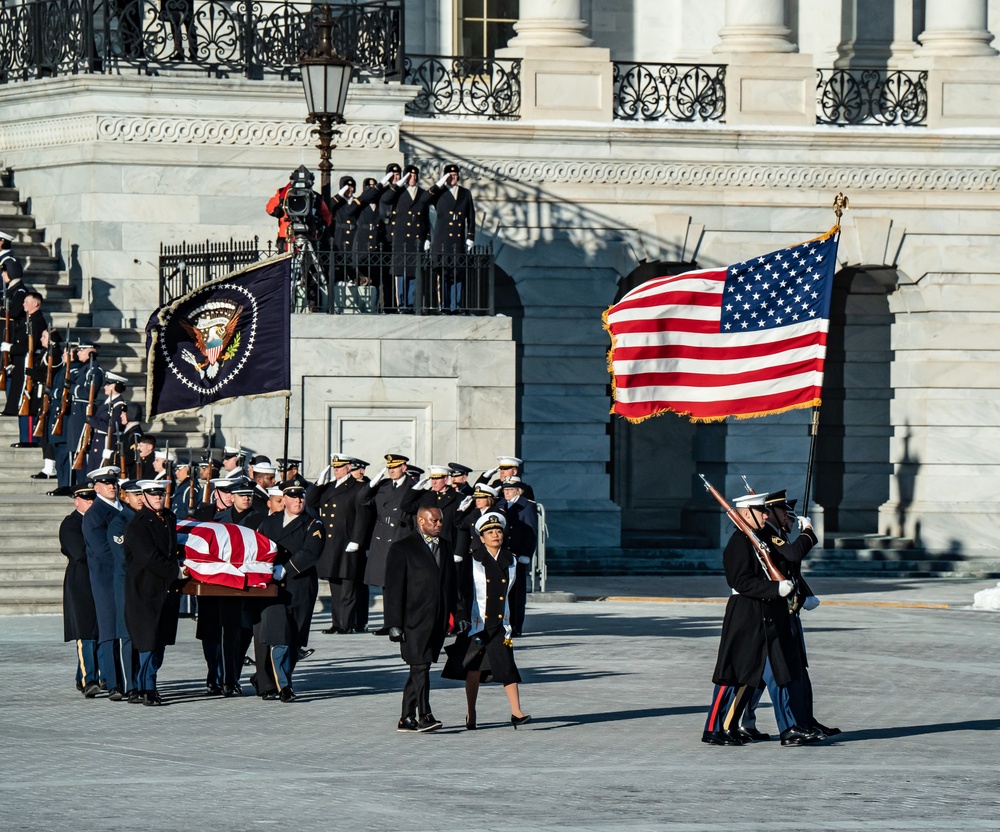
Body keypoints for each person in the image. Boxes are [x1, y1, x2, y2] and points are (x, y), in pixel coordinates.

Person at [703, 490, 821, 747]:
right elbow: (740, 581)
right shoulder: (739, 542)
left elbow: (785, 564)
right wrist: (775, 590)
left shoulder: (759, 539)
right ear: (746, 514)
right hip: (746, 615)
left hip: (768, 615)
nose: (766, 515)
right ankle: (715, 727)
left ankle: (789, 728)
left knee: (778, 672)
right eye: (761, 511)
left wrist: (797, 594)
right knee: (733, 675)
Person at [443, 512, 530, 730]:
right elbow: (461, 593)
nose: (495, 535)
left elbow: (515, 595)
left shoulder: (511, 560)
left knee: (507, 667)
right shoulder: (473, 560)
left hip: (501, 624)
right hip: (477, 624)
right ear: (481, 538)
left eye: (498, 531)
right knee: (474, 669)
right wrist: (462, 618)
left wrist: (516, 623)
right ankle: (471, 713)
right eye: (489, 532)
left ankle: (516, 712)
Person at [383, 506, 457, 732]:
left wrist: (459, 614)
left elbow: (452, 585)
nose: (439, 525)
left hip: (437, 619)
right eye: (434, 521)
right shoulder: (402, 548)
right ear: (421, 521)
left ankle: (406, 718)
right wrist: (393, 623)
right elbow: (393, 589)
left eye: (441, 521)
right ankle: (425, 715)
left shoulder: (445, 546)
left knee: (419, 668)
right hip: (412, 620)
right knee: (420, 666)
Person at [253, 482, 325, 702]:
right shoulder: (269, 522)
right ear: (283, 500)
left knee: (294, 638)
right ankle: (285, 686)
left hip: (300, 585)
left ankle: (275, 678)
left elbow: (311, 552)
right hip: (274, 589)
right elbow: (258, 547)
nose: (298, 501)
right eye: (292, 497)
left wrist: (285, 568)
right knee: (280, 637)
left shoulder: (313, 523)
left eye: (301, 497)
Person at [122, 479, 184, 706]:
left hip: (165, 590)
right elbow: (148, 557)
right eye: (154, 495)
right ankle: (147, 688)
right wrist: (176, 571)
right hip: (144, 590)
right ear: (144, 497)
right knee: (148, 641)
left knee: (160, 641)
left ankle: (142, 685)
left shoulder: (168, 517)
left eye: (161, 494)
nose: (159, 498)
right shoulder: (137, 525)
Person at [307, 453, 372, 635]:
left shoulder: (357, 487)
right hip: (330, 542)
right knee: (335, 584)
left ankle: (347, 623)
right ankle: (337, 623)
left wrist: (357, 541)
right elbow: (311, 502)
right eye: (334, 467)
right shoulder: (328, 487)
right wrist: (318, 483)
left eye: (340, 467)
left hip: (347, 541)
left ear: (348, 468)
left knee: (348, 585)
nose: (336, 470)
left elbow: (362, 516)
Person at [80, 465, 126, 699]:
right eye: (107, 483)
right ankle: (113, 681)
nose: (112, 486)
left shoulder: (125, 509)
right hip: (107, 579)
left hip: (127, 578)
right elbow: (103, 550)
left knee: (127, 629)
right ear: (96, 487)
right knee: (109, 630)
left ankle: (128, 680)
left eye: (114, 482)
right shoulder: (94, 514)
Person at [361, 453, 416, 629]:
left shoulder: (413, 487)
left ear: (404, 468)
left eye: (395, 467)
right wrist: (374, 480)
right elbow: (362, 499)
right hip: (382, 537)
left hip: (400, 536)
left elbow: (416, 518)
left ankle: (402, 622)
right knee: (386, 585)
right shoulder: (383, 486)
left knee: (401, 584)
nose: (391, 471)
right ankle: (389, 624)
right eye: (389, 468)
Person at [60, 482, 100, 697]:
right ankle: (89, 679)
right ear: (77, 501)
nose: (91, 502)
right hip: (81, 583)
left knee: (100, 630)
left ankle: (83, 676)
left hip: (100, 580)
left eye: (93, 498)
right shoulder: (71, 524)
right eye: (87, 499)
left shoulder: (101, 520)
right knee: (86, 632)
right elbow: (79, 553)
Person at [379, 164, 432, 311]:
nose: (413, 178)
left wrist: (428, 236)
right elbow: (386, 199)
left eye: (415, 176)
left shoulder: (422, 193)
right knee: (401, 272)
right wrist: (398, 183)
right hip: (402, 237)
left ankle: (410, 302)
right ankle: (401, 303)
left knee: (414, 272)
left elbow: (426, 217)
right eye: (410, 175)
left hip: (416, 238)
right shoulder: (398, 191)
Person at [427, 163, 476, 312]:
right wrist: (439, 184)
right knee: (443, 272)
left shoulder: (465, 193)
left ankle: (456, 305)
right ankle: (444, 305)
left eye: (455, 175)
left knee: (457, 272)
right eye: (450, 175)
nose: (453, 178)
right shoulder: (439, 193)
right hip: (442, 240)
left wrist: (470, 237)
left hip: (458, 240)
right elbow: (426, 199)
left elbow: (471, 217)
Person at [3, 290, 48, 442]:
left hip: (27, 363)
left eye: (26, 301)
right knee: (21, 400)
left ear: (35, 304)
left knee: (26, 400)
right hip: (21, 363)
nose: (23, 304)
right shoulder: (29, 319)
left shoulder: (36, 321)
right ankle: (25, 438)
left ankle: (29, 439)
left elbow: (30, 346)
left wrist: (11, 349)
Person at [502, 477, 538, 637]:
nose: (506, 493)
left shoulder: (527, 506)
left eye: (510, 490)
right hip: (504, 554)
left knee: (517, 592)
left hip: (518, 555)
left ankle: (516, 625)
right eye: (505, 490)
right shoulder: (501, 505)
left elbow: (531, 532)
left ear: (518, 491)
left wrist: (527, 554)